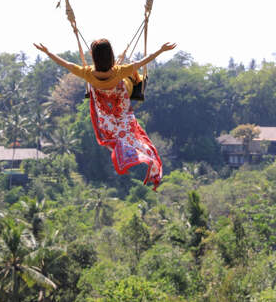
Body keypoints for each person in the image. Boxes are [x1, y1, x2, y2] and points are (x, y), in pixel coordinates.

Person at [34, 39, 176, 190]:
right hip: (123, 94)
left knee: (128, 73)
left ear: (94, 56)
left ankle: (129, 74)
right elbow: (142, 61)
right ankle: (135, 77)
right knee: (132, 73)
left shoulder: (87, 73)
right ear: (110, 55)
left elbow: (66, 64)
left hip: (106, 107)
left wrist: (48, 52)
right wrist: (161, 50)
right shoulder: (119, 71)